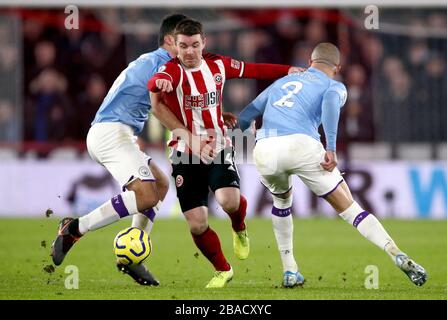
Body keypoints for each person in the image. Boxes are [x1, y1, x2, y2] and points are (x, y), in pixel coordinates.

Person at [238, 42, 428, 288]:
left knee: (281, 202)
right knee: (351, 209)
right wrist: (331, 148)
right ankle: (396, 252)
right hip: (302, 145)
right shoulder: (334, 86)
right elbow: (329, 106)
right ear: (337, 67)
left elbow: (245, 116)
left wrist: (252, 133)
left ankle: (290, 271)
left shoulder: (281, 83)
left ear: (310, 61)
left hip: (265, 149)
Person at [148, 18, 301, 288]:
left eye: (195, 45)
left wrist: (288, 70)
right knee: (197, 224)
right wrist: (160, 82)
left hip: (218, 144)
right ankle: (222, 269)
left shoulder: (218, 64)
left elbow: (253, 69)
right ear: (176, 46)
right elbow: (159, 80)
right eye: (183, 46)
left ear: (204, 42)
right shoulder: (172, 70)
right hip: (184, 153)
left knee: (229, 201)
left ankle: (239, 227)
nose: (190, 52)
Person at [50, 13, 188, 286]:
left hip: (115, 132)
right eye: (184, 43)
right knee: (146, 195)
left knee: (159, 185)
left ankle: (132, 256)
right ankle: (75, 228)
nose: (189, 50)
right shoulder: (162, 65)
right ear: (170, 41)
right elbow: (166, 107)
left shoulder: (152, 61)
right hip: (111, 133)